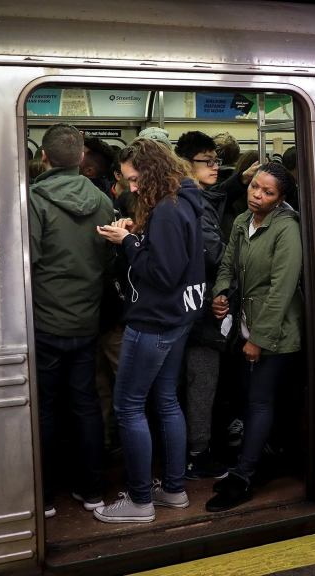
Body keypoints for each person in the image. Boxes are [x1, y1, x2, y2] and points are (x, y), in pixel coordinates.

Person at [93, 139, 206, 523]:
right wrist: (137, 237)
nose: (134, 188)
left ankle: (140, 501)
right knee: (166, 401)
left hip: (154, 320)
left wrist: (127, 243)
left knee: (128, 405)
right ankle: (173, 490)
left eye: (137, 180)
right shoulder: (185, 199)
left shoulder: (168, 211)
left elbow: (161, 274)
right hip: (179, 318)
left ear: (154, 171)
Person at [29, 123, 114, 518]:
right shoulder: (102, 201)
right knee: (85, 404)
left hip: (45, 321)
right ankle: (93, 490)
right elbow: (107, 258)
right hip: (87, 318)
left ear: (44, 157)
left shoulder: (34, 200)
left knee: (44, 407)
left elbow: (28, 263)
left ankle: (45, 497)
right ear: (81, 158)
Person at [208, 162, 303, 512]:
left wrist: (258, 339)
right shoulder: (240, 222)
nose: (257, 196)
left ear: (280, 200)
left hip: (275, 332)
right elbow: (228, 264)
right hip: (246, 322)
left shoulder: (286, 229)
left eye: (268, 193)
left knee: (260, 401)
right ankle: (254, 460)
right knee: (249, 400)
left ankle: (244, 477)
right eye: (254, 188)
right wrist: (220, 293)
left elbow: (282, 289)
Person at [173, 131, 230, 479]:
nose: (215, 167)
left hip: (191, 306)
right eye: (207, 161)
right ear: (186, 164)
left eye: (217, 160)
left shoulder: (195, 199)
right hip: (201, 310)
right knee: (200, 381)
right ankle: (197, 452)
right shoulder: (194, 203)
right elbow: (214, 253)